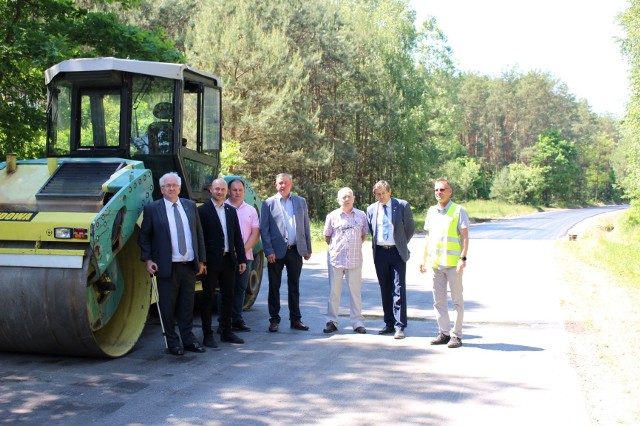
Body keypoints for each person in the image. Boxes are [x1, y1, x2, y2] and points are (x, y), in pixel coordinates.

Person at [138, 172, 207, 356]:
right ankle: (172, 342)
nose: (171, 188)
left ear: (179, 187)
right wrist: (148, 259)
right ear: (161, 189)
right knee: (167, 307)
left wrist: (201, 260)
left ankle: (188, 339)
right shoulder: (153, 209)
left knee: (187, 305)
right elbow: (144, 237)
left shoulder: (190, 206)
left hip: (189, 265)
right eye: (167, 186)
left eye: (174, 185)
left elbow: (198, 234)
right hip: (167, 267)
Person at [419, 178, 469, 349]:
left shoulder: (458, 210)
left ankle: (457, 335)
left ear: (450, 191)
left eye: (442, 190)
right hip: (436, 264)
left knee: (457, 301)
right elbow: (428, 237)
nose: (438, 193)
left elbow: (464, 236)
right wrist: (423, 259)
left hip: (453, 264)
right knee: (438, 301)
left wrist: (463, 258)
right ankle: (444, 333)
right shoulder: (431, 211)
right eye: (436, 190)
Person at [197, 178, 247, 347]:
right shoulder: (202, 211)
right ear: (211, 190)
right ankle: (207, 335)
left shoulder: (230, 211)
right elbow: (199, 238)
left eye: (222, 189)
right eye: (216, 189)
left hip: (228, 261)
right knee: (208, 297)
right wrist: (201, 261)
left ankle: (226, 331)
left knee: (228, 296)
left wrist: (241, 259)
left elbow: (237, 238)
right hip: (210, 262)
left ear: (226, 191)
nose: (219, 192)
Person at [260, 173, 312, 332]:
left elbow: (305, 225)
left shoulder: (300, 201)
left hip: (295, 251)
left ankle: (296, 319)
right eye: (280, 183)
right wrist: (268, 251)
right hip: (275, 253)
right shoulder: (268, 203)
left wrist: (308, 248)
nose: (283, 186)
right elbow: (264, 229)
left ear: (291, 184)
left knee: (294, 286)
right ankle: (274, 320)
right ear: (275, 185)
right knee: (274, 287)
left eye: (286, 183)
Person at [366, 180, 415, 339]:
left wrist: (400, 243)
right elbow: (371, 230)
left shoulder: (401, 205)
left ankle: (400, 326)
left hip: (396, 253)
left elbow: (410, 228)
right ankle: (388, 323)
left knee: (398, 288)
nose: (381, 197)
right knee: (385, 288)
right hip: (380, 253)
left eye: (383, 194)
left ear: (389, 192)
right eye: (377, 194)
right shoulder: (371, 209)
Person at [323, 187, 368, 334]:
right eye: (343, 197)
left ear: (354, 198)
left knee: (355, 292)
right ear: (338, 200)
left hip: (355, 260)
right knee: (334, 292)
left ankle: (357, 322)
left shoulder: (361, 216)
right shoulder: (332, 216)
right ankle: (332, 321)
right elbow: (327, 237)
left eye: (349, 196)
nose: (346, 199)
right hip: (336, 259)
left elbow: (363, 235)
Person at [225, 178, 261, 332]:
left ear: (244, 192)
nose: (237, 193)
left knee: (240, 288)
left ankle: (237, 319)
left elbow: (255, 234)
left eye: (240, 190)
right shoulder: (222, 207)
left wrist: (242, 251)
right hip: (226, 256)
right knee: (226, 290)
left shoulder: (251, 210)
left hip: (245, 256)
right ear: (228, 191)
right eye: (234, 190)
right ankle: (224, 321)